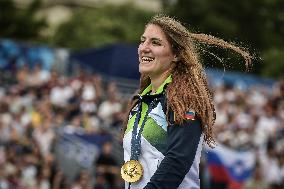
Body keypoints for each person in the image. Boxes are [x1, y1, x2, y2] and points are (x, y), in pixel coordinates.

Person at [121, 14, 251, 189]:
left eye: (155, 42)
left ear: (175, 55)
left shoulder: (182, 99)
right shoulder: (141, 101)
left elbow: (177, 160)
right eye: (143, 40)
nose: (144, 47)